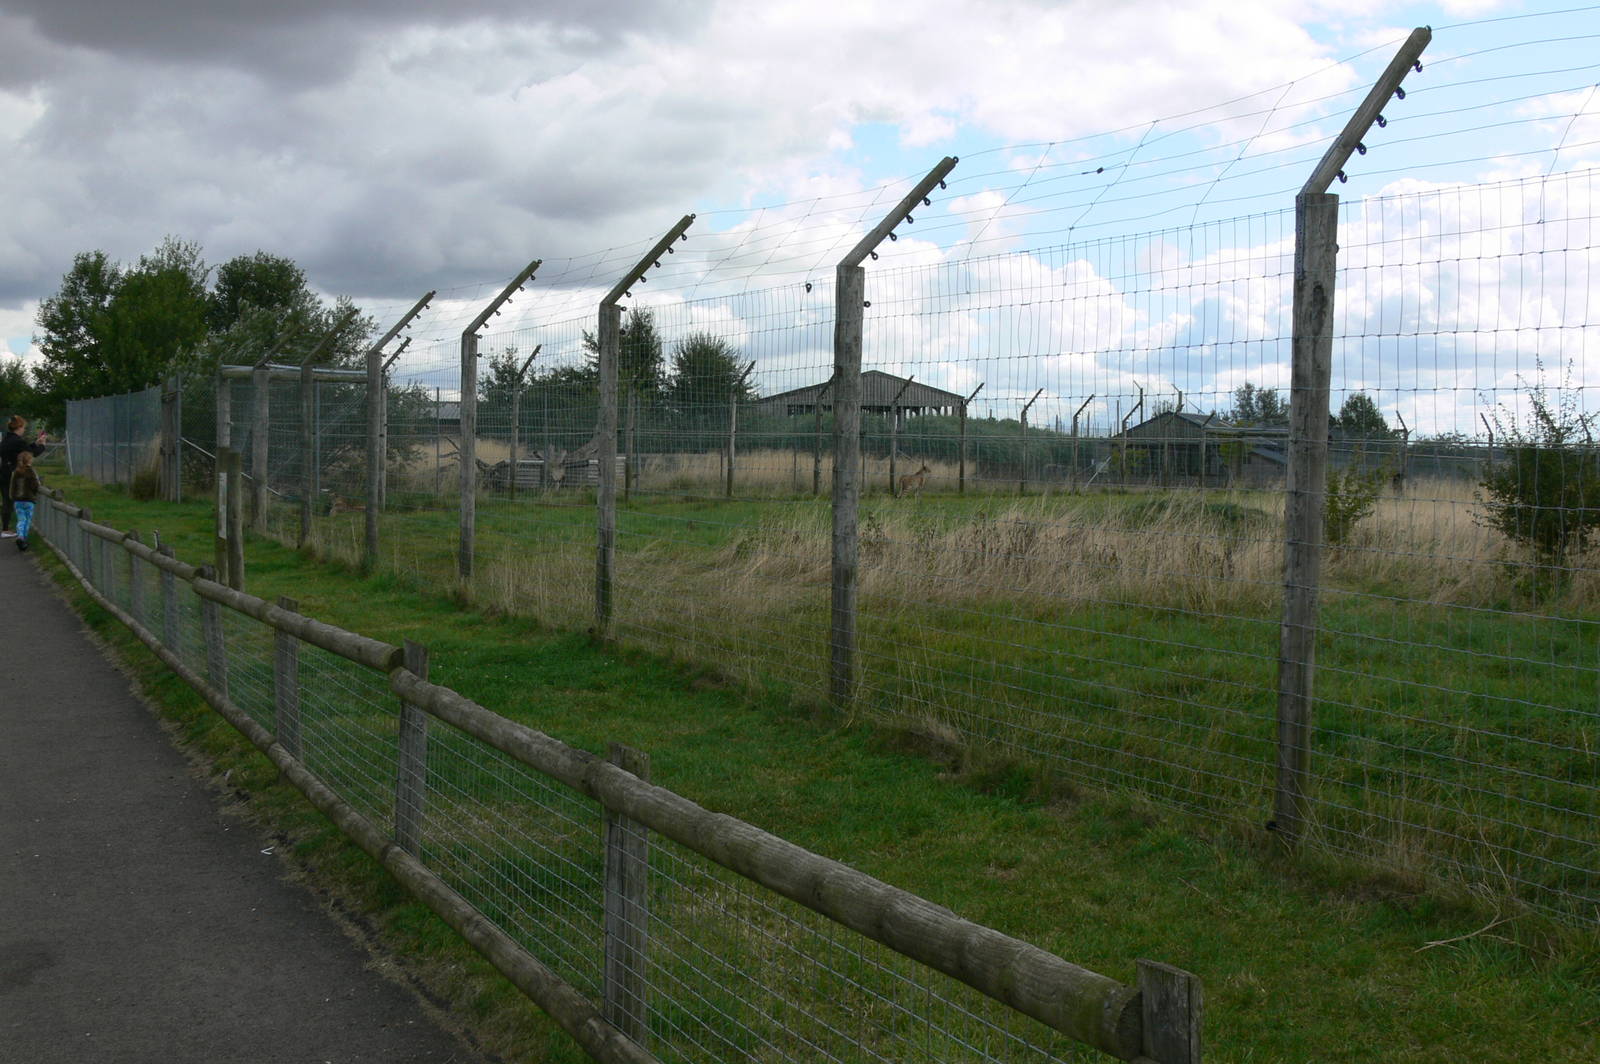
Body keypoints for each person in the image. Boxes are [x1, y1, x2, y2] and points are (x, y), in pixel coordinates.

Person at [0, 415, 47, 538]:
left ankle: (6, 527)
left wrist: (35, 443)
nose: (24, 430)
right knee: (10, 501)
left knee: (7, 499)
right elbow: (31, 454)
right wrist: (42, 445)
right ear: (19, 427)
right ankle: (10, 529)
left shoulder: (7, 439)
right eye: (23, 427)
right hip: (13, 475)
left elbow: (24, 450)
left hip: (3, 472)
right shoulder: (18, 441)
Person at [10, 450, 38, 551]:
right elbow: (35, 484)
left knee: (21, 519)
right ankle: (24, 539)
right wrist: (35, 492)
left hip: (18, 501)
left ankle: (20, 536)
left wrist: (13, 497)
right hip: (29, 500)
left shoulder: (16, 472)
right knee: (28, 520)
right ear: (29, 460)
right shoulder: (31, 471)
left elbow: (13, 486)